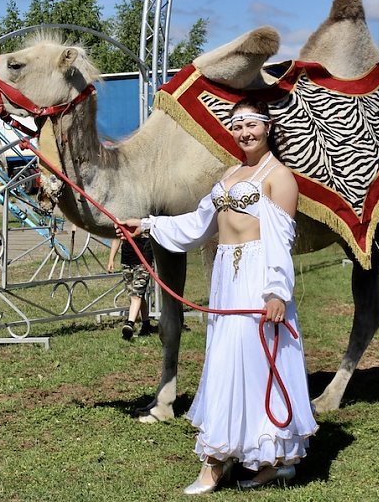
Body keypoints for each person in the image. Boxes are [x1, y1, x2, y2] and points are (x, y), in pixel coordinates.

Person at [119, 97, 317, 495]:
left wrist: (277, 291)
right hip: (226, 276)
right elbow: (198, 225)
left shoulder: (280, 177)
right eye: (238, 125)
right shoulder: (229, 174)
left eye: (252, 124)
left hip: (258, 279)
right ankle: (237, 459)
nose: (245, 132)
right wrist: (147, 225)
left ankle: (256, 461)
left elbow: (280, 241)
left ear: (268, 127)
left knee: (257, 365)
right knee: (226, 361)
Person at [107, 236, 155, 340]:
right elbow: (116, 237)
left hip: (143, 262)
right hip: (127, 261)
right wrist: (111, 259)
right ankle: (146, 325)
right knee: (135, 294)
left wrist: (149, 259)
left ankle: (130, 324)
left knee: (136, 295)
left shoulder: (145, 221)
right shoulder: (122, 221)